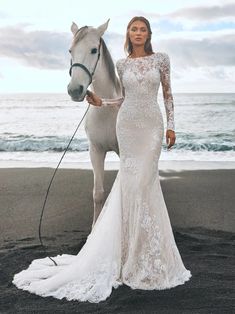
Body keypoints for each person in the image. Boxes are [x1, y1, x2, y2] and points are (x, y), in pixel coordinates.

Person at [12, 16, 192, 303]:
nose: (138, 33)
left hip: (152, 128)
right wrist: (100, 103)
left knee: (147, 182)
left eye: (142, 29)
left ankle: (148, 248)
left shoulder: (162, 59)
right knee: (131, 185)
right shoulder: (122, 65)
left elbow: (168, 95)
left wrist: (171, 125)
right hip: (128, 125)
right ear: (128, 34)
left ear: (148, 33)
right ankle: (127, 249)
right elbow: (123, 100)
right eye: (134, 29)